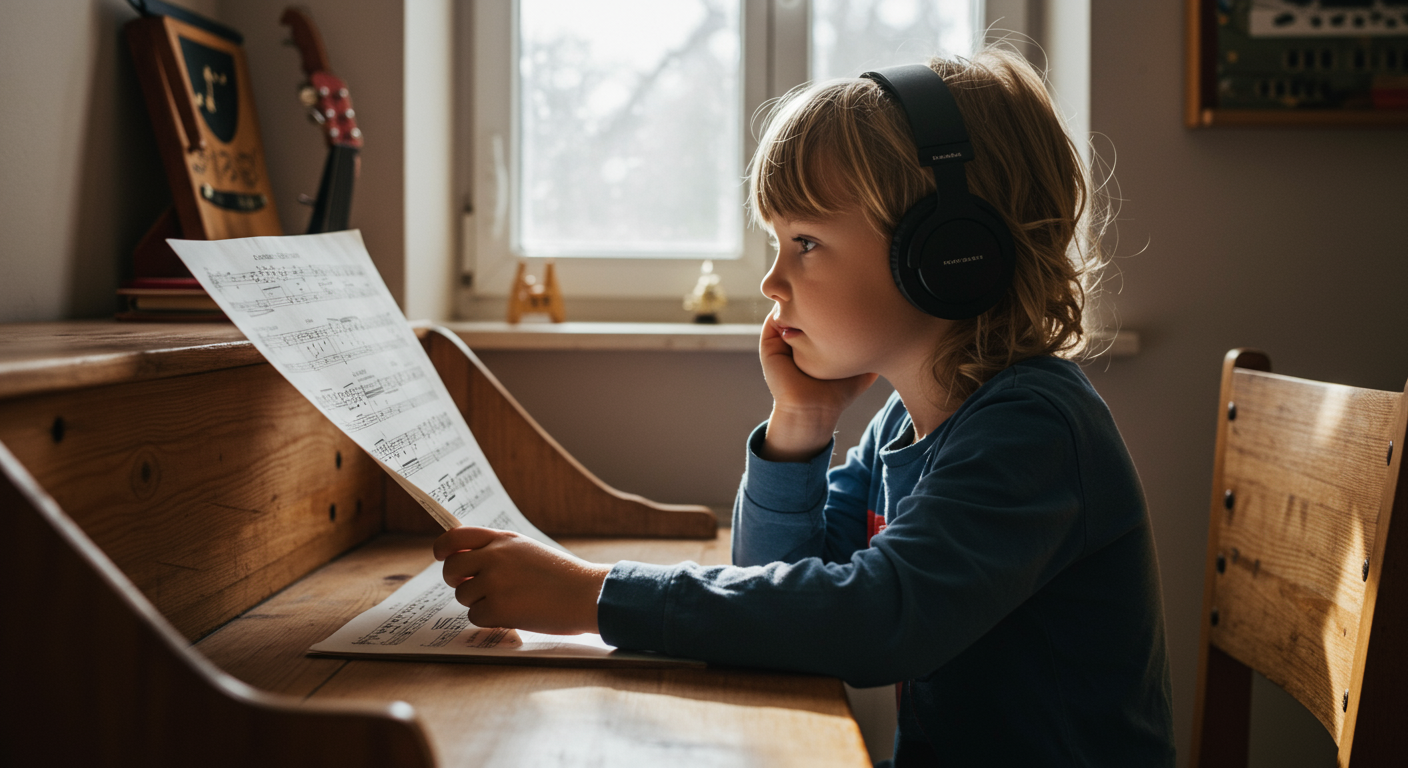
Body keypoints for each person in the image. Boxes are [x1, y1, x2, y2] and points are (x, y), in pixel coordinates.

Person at [435, 49, 1175, 767]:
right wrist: (802, 425)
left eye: (807, 241)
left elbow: (877, 618)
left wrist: (594, 596)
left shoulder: (1032, 430)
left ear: (951, 253)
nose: (772, 281)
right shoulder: (905, 420)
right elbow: (779, 579)